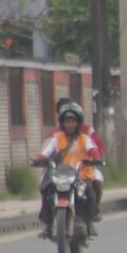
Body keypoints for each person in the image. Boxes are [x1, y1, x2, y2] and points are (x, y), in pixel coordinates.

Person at [35, 101, 100, 238]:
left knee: (89, 191)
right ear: (62, 123)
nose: (70, 125)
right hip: (61, 174)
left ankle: (90, 221)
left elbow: (93, 150)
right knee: (47, 191)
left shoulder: (85, 138)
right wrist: (39, 159)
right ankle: (48, 225)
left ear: (78, 123)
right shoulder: (56, 139)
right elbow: (46, 153)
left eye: (73, 122)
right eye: (67, 122)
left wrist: (95, 157)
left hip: (81, 175)